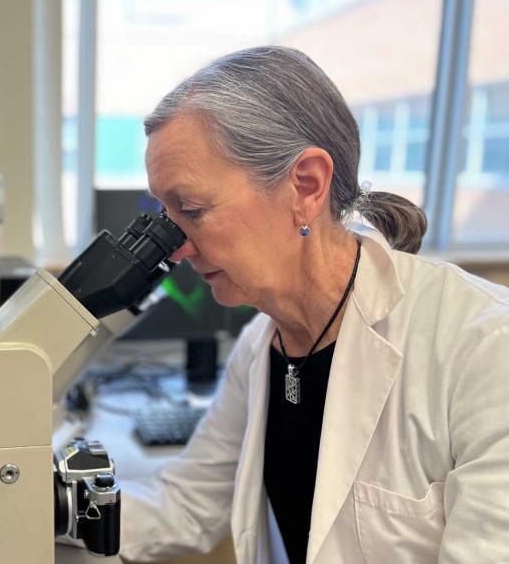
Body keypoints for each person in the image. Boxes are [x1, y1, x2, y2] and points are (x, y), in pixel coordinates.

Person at [119, 46, 509, 563]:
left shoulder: (483, 349)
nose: (176, 245)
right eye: (164, 216)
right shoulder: (262, 344)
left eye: (190, 209)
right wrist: (45, 503)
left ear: (306, 185)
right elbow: (186, 505)